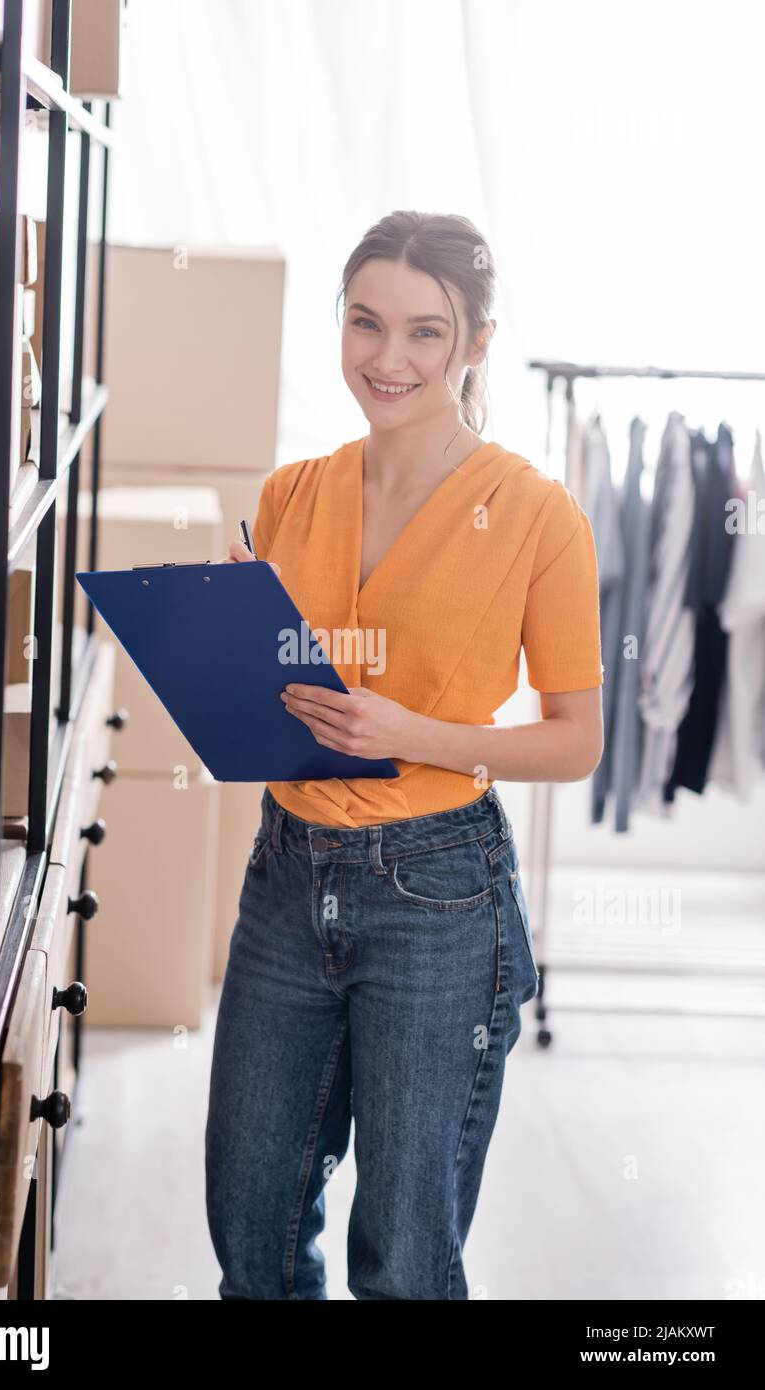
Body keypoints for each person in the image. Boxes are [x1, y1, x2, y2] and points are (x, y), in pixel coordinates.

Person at [205, 210, 604, 1300]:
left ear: (476, 343)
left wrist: (412, 736)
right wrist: (219, 634)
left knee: (407, 1257)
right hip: (286, 877)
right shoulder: (292, 492)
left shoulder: (538, 515)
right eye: (366, 323)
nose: (389, 359)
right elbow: (283, 700)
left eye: (427, 333)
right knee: (252, 1226)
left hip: (437, 894)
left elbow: (577, 741)